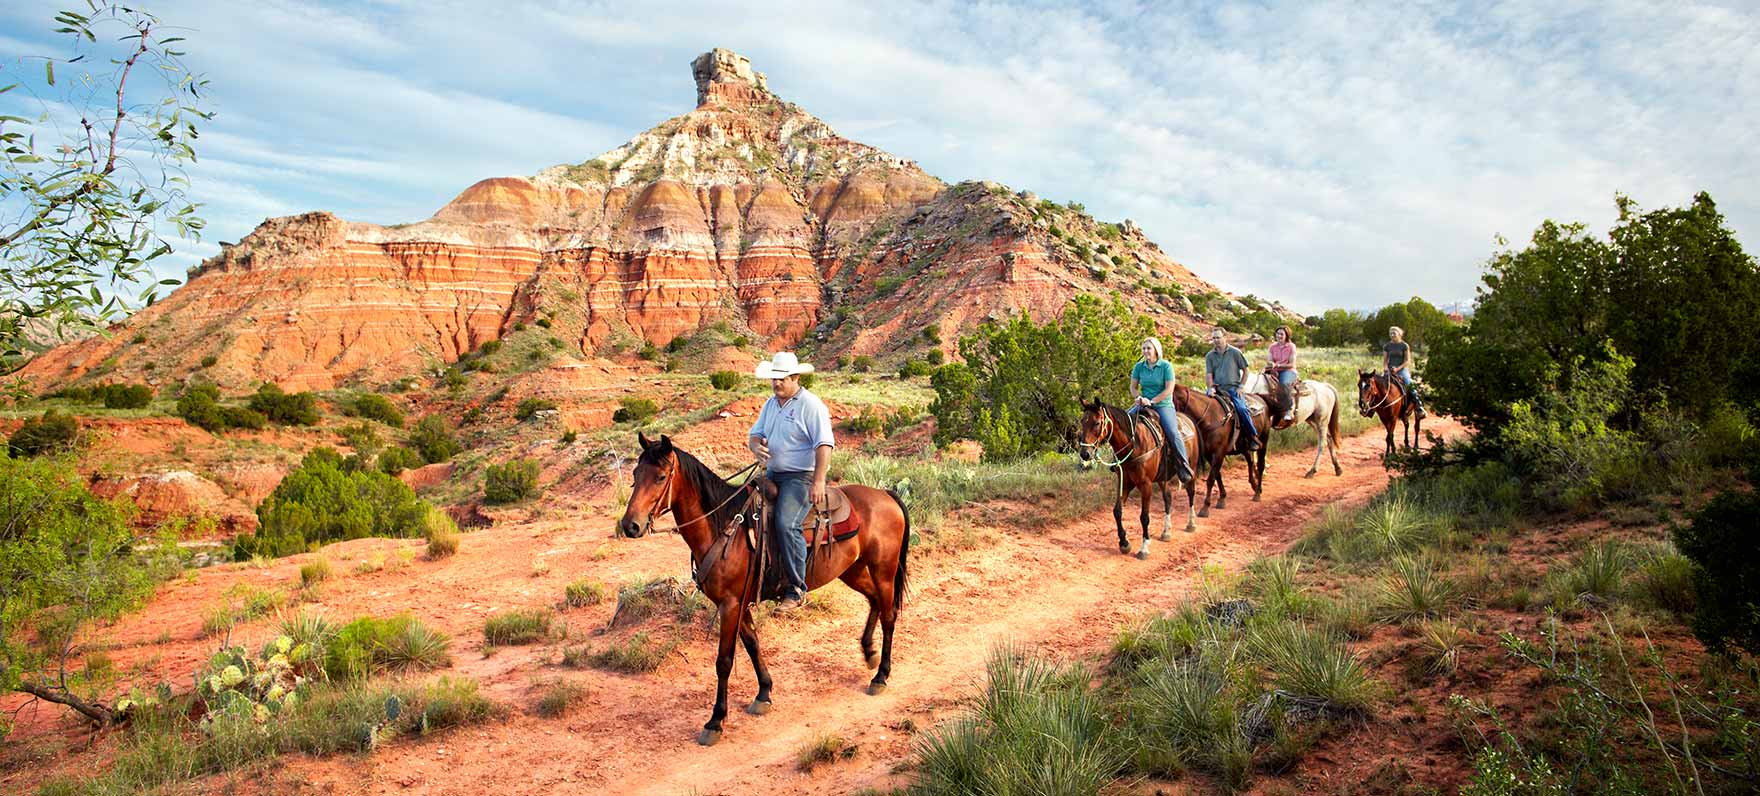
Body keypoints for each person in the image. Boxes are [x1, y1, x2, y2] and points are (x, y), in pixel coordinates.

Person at [747, 351, 835, 611]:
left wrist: (818, 481)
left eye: (781, 379)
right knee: (745, 510)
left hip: (801, 476)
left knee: (787, 523)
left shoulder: (811, 405)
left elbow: (824, 444)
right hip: (773, 474)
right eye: (773, 379)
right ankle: (761, 576)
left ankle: (796, 589)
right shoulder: (771, 404)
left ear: (796, 377)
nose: (776, 384)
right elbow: (756, 434)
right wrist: (755, 447)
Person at [1129, 337, 1195, 483]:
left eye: (1149, 348)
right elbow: (1133, 387)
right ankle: (1118, 461)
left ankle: (1184, 466)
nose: (1146, 351)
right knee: (1123, 423)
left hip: (1163, 405)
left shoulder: (1166, 366)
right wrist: (1139, 398)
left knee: (1172, 432)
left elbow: (1169, 389)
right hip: (1143, 403)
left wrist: (1152, 401)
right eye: (1144, 348)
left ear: (1156, 350)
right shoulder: (1139, 366)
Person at [1204, 328, 1259, 451]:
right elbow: (1209, 374)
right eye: (1214, 338)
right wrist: (1210, 388)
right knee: (1203, 409)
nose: (1216, 340)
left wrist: (1241, 386)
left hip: (1233, 389)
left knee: (1242, 409)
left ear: (1225, 337)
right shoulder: (1210, 356)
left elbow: (1246, 370)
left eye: (1218, 337)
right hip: (1217, 389)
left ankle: (1252, 436)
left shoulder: (1235, 352)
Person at [1382, 326, 1427, 419]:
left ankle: (1419, 407)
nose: (1392, 335)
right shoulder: (1387, 346)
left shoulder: (1404, 345)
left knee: (1409, 384)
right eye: (1391, 333)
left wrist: (1398, 369)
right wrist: (1386, 369)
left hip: (1402, 370)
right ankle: (1373, 409)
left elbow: (1407, 360)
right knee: (1378, 385)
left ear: (1399, 334)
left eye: (1394, 333)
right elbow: (1385, 360)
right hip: (1390, 370)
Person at [1267, 326, 1298, 423]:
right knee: (1261, 382)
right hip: (1275, 370)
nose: (1279, 336)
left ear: (1286, 335)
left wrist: (1278, 365)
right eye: (1277, 333)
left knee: (1283, 384)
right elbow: (1270, 360)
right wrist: (1271, 364)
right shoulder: (1272, 346)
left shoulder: (1291, 346)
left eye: (1281, 334)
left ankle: (1289, 409)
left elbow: (1292, 364)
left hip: (1288, 371)